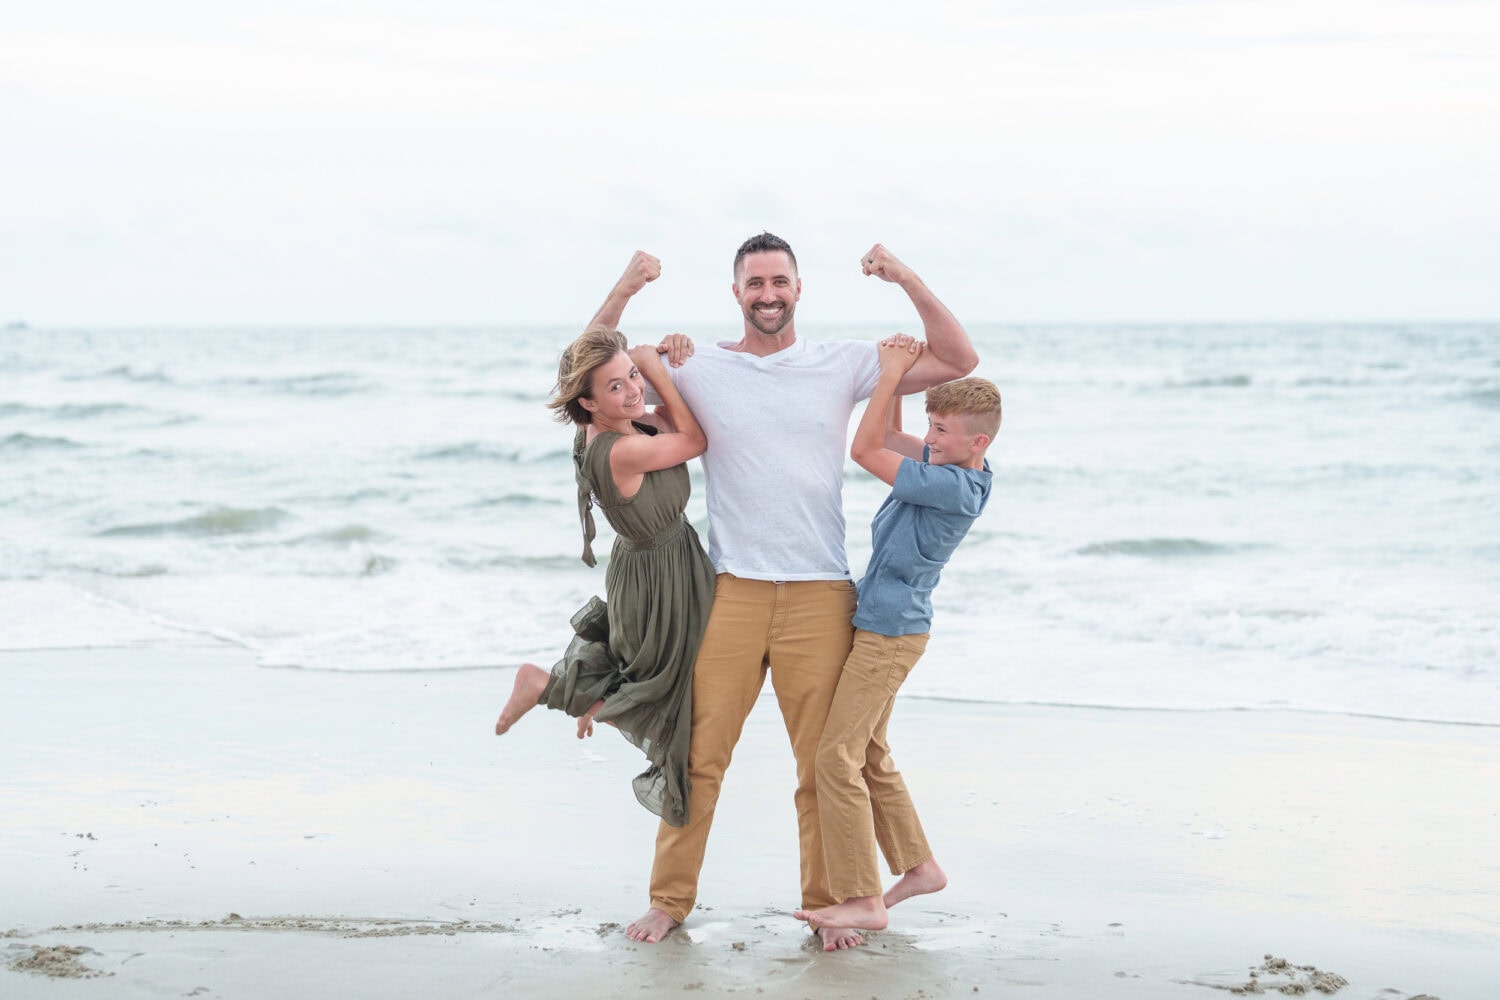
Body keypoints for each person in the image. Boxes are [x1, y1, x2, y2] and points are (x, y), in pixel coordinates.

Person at [589, 235, 979, 950]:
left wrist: (904, 277)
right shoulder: (696, 362)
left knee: (821, 766)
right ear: (735, 293)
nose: (768, 293)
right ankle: (668, 900)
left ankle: (829, 905)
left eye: (779, 281)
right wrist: (627, 288)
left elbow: (959, 360)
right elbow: (589, 367)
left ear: (799, 289)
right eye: (754, 282)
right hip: (730, 591)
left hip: (821, 594)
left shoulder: (842, 363)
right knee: (698, 757)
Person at [792, 336, 999, 933]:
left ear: (976, 442)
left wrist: (887, 374)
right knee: (871, 753)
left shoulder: (951, 486)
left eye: (941, 430)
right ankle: (920, 867)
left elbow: (862, 448)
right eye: (930, 426)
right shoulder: (949, 465)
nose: (930, 439)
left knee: (836, 756)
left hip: (889, 637)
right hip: (882, 626)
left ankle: (862, 896)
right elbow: (886, 438)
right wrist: (902, 376)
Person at [493, 326, 713, 829]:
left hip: (662, 568)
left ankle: (576, 696)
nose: (634, 390)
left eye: (633, 376)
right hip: (657, 583)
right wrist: (658, 368)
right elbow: (697, 438)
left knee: (671, 690)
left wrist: (631, 291)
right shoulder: (619, 449)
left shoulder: (624, 426)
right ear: (589, 403)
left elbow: (587, 356)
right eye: (616, 386)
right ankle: (552, 688)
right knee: (671, 697)